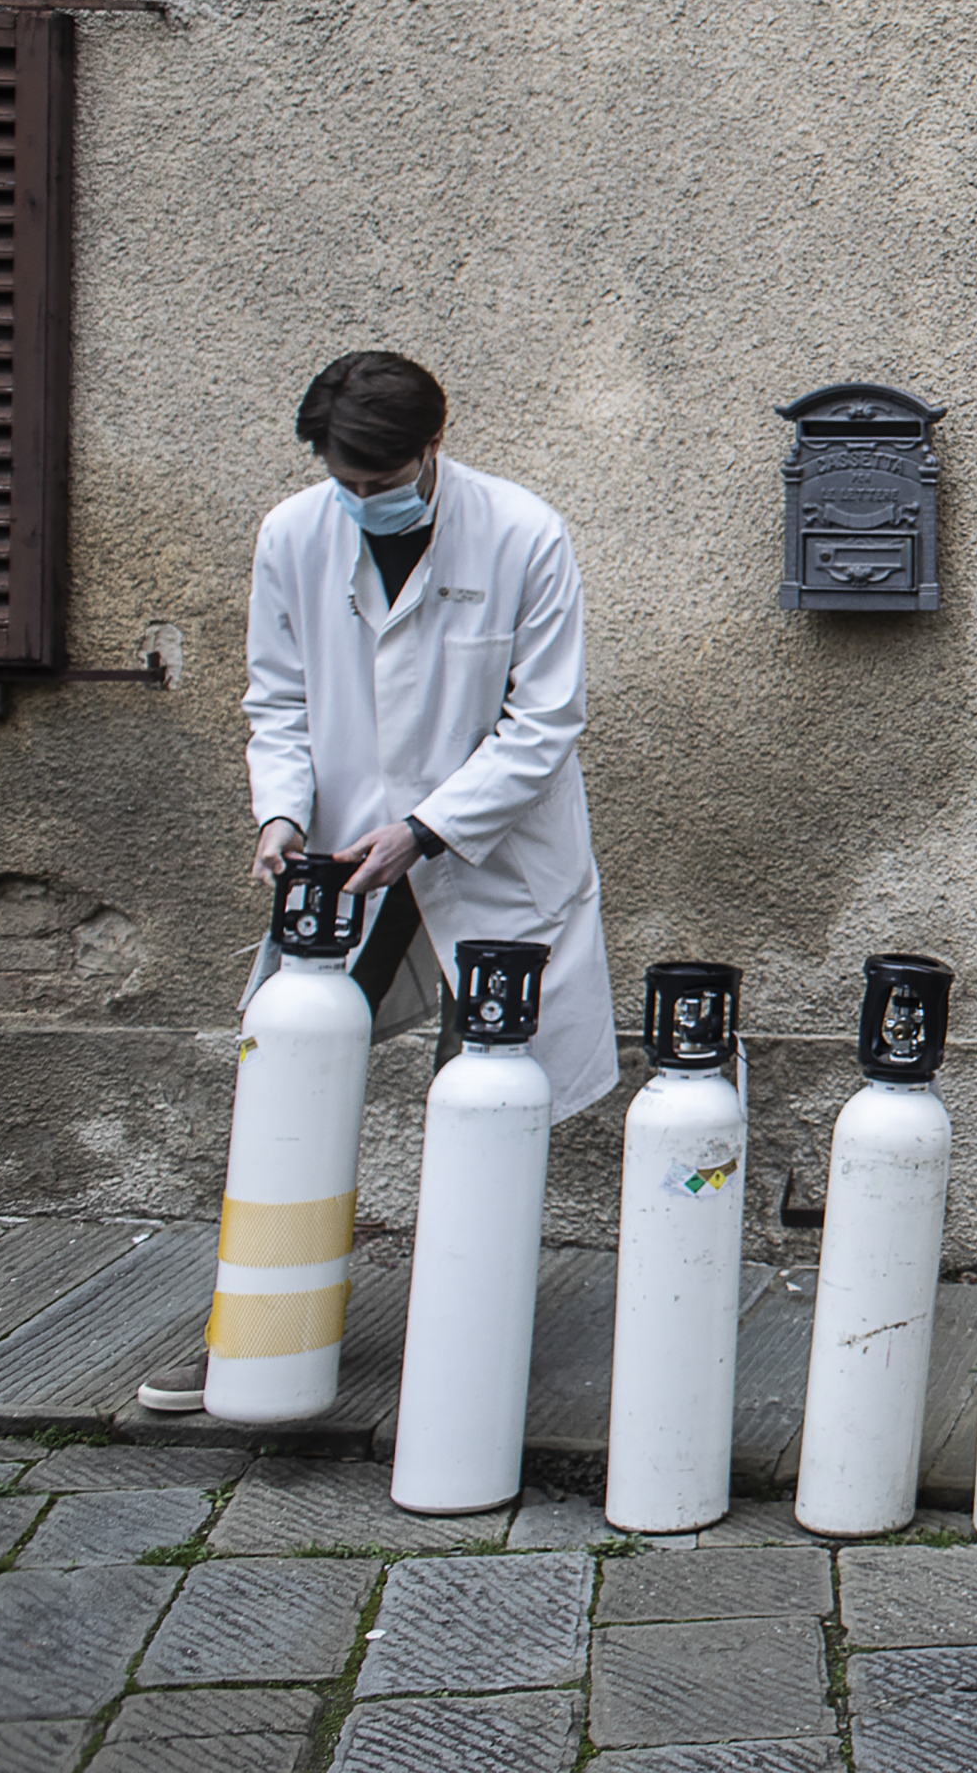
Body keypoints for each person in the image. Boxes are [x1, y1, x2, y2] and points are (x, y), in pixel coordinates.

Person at [138, 351, 621, 1411]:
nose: (362, 502)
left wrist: (429, 829)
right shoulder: (293, 535)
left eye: (381, 481)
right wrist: (281, 812)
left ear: (431, 448)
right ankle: (255, 1338)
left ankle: (464, 1357)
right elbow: (279, 699)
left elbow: (544, 723)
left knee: (480, 1102)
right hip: (349, 860)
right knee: (290, 1089)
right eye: (344, 484)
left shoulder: (525, 534)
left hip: (488, 859)